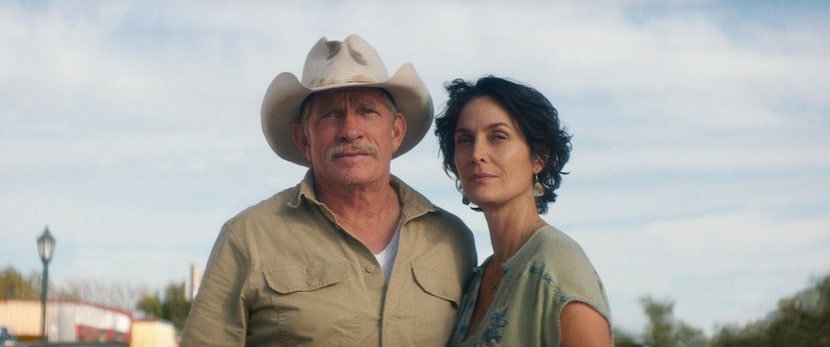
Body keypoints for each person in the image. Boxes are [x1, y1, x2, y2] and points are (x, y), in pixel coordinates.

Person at [180, 35, 476, 346]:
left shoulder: (453, 240)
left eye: (367, 111)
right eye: (330, 114)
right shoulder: (247, 238)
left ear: (396, 131)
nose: (350, 130)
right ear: (304, 139)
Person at [435, 76, 611, 346]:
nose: (477, 154)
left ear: (539, 157)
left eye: (498, 137)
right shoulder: (475, 279)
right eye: (465, 140)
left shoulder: (558, 262)